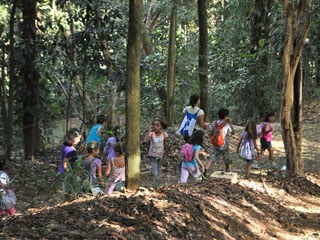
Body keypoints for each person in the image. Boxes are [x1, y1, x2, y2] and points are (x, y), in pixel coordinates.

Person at [205, 108, 235, 173]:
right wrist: (230, 123)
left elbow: (210, 132)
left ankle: (205, 170)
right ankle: (228, 173)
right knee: (226, 160)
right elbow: (233, 132)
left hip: (215, 144)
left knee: (212, 158)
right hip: (224, 145)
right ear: (226, 116)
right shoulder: (226, 124)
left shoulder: (214, 123)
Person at [143, 119, 168, 188]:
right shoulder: (151, 134)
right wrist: (149, 131)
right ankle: (157, 184)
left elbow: (165, 143)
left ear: (161, 126)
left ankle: (156, 185)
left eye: (157, 125)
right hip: (152, 155)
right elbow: (145, 140)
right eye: (154, 125)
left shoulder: (164, 134)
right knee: (155, 171)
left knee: (159, 170)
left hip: (160, 155)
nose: (155, 127)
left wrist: (164, 152)